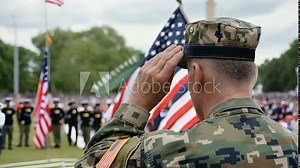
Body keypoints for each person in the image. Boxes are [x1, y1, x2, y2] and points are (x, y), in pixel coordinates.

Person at [75, 18, 298, 167]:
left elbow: (94, 162)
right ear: (253, 75)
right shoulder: (294, 144)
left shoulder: (167, 150)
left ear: (195, 73)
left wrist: (137, 103)